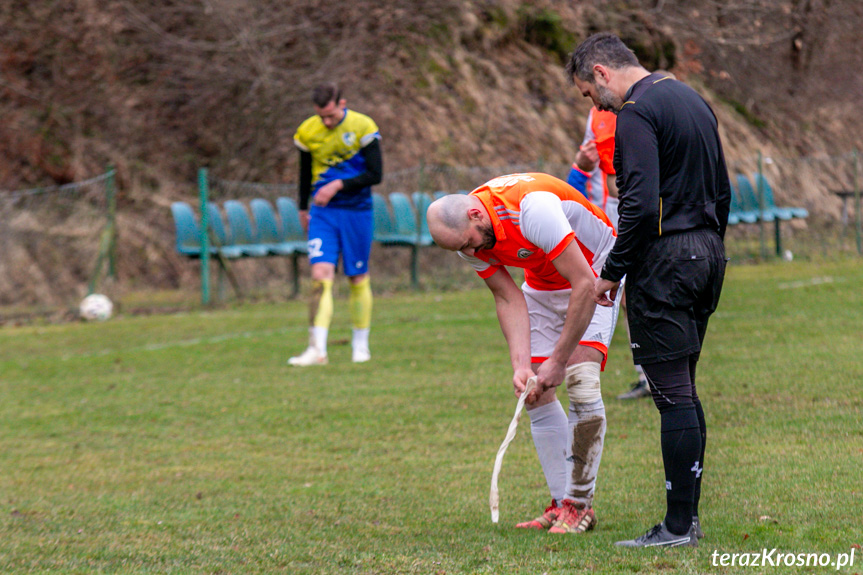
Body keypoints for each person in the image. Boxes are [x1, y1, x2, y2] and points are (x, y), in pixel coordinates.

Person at [567, 33, 730, 547]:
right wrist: (708, 247)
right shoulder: (690, 98)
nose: (595, 105)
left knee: (672, 393)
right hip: (707, 251)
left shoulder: (636, 112)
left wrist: (611, 273)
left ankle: (679, 526)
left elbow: (636, 203)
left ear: (600, 72)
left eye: (590, 95)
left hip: (666, 261)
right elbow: (723, 187)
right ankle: (688, 521)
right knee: (684, 387)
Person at [426, 172, 620, 535]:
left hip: (596, 272)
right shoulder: (467, 240)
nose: (471, 253)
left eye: (470, 243)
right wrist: (520, 364)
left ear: (474, 214)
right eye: (461, 250)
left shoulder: (532, 208)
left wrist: (559, 360)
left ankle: (579, 506)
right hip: (543, 283)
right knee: (535, 390)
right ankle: (561, 501)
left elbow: (584, 283)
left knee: (580, 378)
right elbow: (506, 295)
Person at [289, 82, 383, 366]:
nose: (327, 122)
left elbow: (375, 174)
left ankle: (360, 345)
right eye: (322, 117)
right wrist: (303, 208)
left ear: (342, 103)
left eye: (331, 116)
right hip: (323, 213)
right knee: (320, 274)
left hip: (357, 211)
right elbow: (305, 173)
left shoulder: (363, 126)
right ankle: (317, 350)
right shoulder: (308, 131)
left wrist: (338, 184)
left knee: (357, 277)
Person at [568, 106, 651, 400]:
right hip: (600, 231)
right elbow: (574, 186)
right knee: (624, 298)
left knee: (635, 297)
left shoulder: (645, 108)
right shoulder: (595, 114)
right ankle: (651, 376)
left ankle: (655, 376)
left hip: (636, 225)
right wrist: (580, 167)